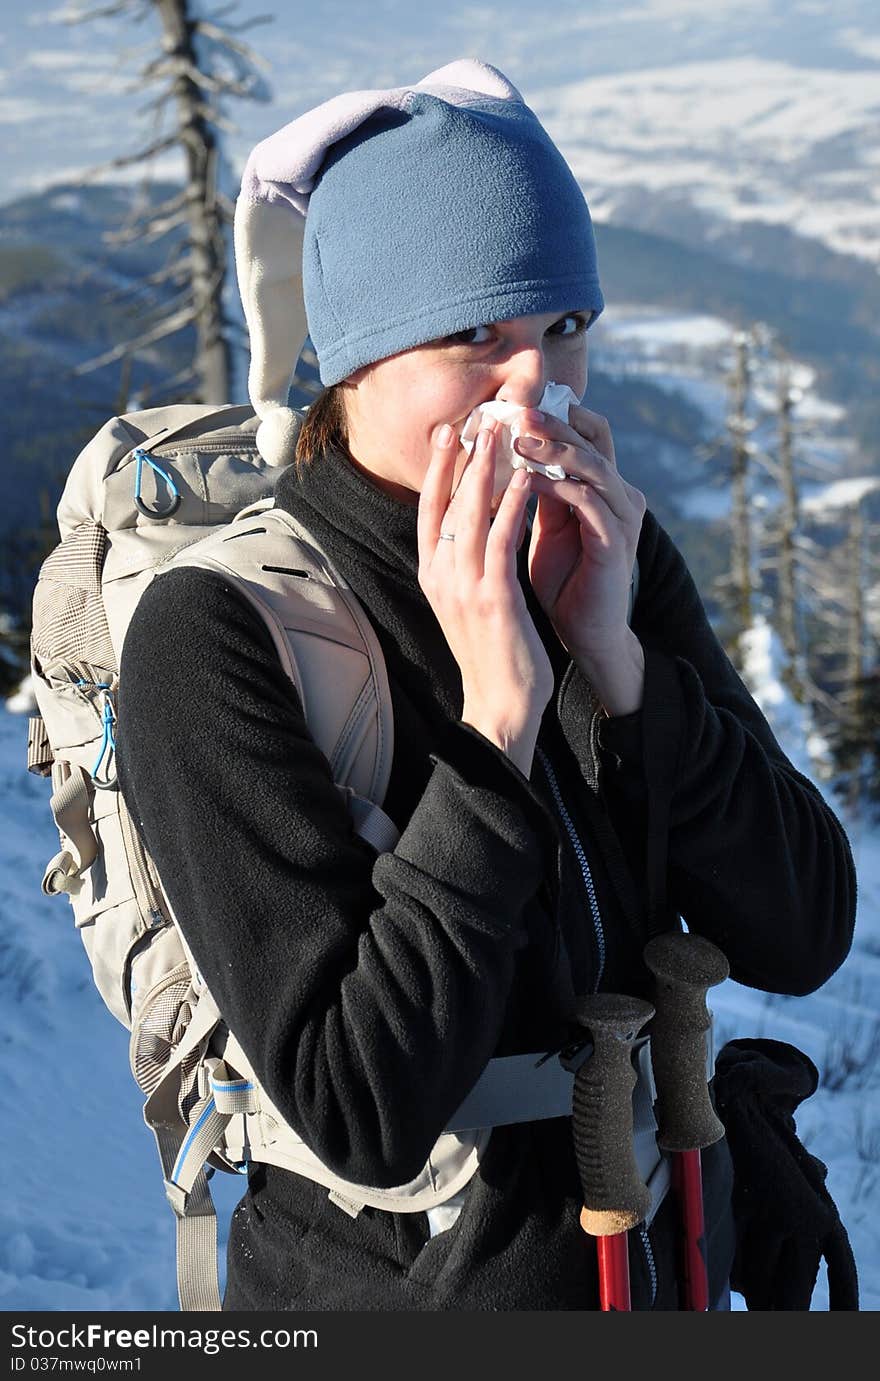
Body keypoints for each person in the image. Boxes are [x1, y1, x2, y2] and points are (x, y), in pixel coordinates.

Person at [115, 59, 856, 1311]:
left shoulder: (602, 548)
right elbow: (361, 1105)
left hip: (663, 1255)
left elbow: (803, 928)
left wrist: (622, 668)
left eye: (564, 325)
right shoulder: (223, 631)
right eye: (476, 335)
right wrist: (497, 719)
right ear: (355, 357)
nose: (540, 385)